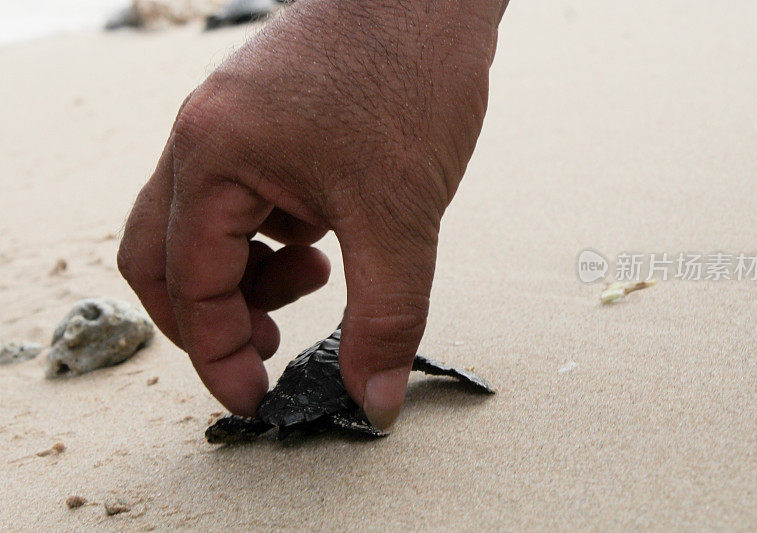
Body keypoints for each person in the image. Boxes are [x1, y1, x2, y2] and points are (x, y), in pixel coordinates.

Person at [117, 0, 509, 430]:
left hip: (296, 393)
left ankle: (259, 421)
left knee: (277, 415)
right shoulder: (337, 353)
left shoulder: (319, 356)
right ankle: (336, 410)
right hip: (336, 394)